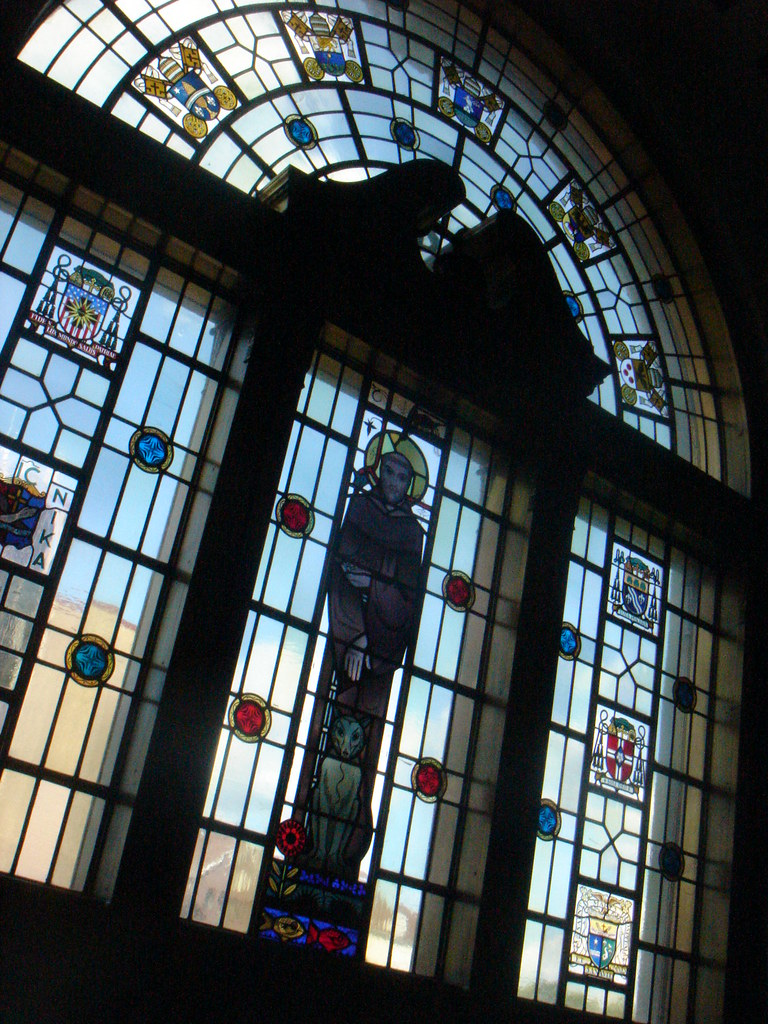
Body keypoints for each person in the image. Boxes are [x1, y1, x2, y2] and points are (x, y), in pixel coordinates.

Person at [302, 432, 427, 879]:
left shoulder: (413, 533)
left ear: (411, 485)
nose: (393, 481)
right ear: (377, 472)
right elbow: (342, 567)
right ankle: (310, 846)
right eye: (388, 471)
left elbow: (407, 596)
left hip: (383, 652)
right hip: (347, 636)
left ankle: (348, 850)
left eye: (403, 476)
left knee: (366, 745)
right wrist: (355, 635)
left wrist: (374, 578)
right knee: (330, 728)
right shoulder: (357, 508)